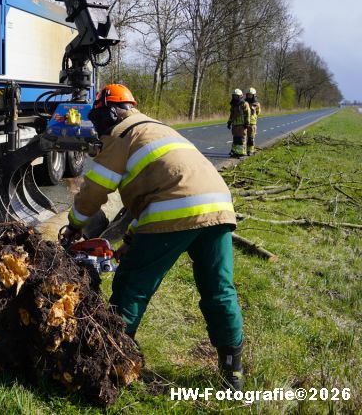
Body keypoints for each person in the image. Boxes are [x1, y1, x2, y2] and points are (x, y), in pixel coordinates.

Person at [62, 84, 245, 390]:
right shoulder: (158, 128)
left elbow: (96, 189)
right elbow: (159, 192)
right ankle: (233, 371)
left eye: (98, 119)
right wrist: (131, 239)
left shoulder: (122, 134)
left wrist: (75, 225)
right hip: (219, 206)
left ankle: (112, 361)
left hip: (175, 209)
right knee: (219, 290)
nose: (99, 128)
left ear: (110, 112)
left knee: (132, 284)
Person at [227, 89, 250, 158]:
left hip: (242, 125)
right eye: (234, 96)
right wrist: (229, 122)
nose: (235, 98)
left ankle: (241, 153)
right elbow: (231, 115)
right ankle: (235, 152)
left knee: (241, 139)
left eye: (236, 96)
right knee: (236, 139)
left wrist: (247, 123)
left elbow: (248, 113)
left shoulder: (244, 104)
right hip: (235, 125)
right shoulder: (233, 105)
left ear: (240, 96)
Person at [245, 88, 262, 155]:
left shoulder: (257, 104)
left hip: (252, 123)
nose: (249, 96)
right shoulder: (244, 102)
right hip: (245, 122)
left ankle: (250, 150)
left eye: (250, 95)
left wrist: (254, 112)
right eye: (248, 95)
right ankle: (244, 150)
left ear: (253, 95)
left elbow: (258, 112)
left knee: (251, 138)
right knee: (243, 138)